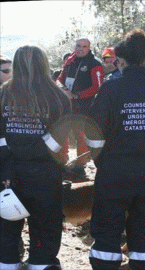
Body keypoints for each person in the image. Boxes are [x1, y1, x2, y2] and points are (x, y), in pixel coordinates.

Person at [86, 29, 145, 270]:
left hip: (114, 171)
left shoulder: (110, 88)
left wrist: (100, 161)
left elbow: (94, 135)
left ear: (121, 61)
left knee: (107, 227)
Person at [0, 45, 72, 270]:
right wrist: (36, 153)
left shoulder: (3, 92)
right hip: (45, 173)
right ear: (44, 64)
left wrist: (12, 156)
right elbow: (58, 137)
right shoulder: (59, 96)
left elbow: (1, 135)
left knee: (7, 227)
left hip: (9, 171)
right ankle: (40, 264)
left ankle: (7, 264)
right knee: (45, 227)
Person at [56, 38, 104, 177]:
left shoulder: (94, 64)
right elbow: (59, 78)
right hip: (66, 105)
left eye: (84, 46)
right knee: (62, 133)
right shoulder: (70, 61)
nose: (80, 48)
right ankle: (62, 163)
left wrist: (76, 95)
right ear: (74, 46)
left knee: (80, 136)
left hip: (84, 107)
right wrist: (62, 89)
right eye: (78, 46)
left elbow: (97, 87)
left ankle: (80, 166)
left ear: (89, 48)